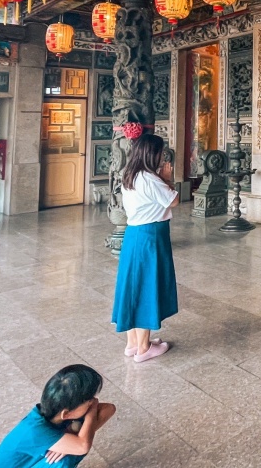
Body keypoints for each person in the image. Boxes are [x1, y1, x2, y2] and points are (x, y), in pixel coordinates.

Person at [112, 134, 179, 362]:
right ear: (153, 153)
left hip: (134, 235)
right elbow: (173, 201)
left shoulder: (131, 175)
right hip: (150, 236)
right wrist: (167, 178)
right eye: (161, 152)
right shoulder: (151, 179)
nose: (163, 156)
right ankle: (143, 348)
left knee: (133, 286)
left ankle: (133, 343)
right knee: (146, 287)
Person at [0, 364, 115, 467]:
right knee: (62, 460)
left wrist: (78, 430)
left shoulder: (55, 412)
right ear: (66, 414)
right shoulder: (34, 430)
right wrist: (90, 413)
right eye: (89, 401)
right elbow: (82, 446)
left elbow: (109, 409)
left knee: (74, 443)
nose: (93, 401)